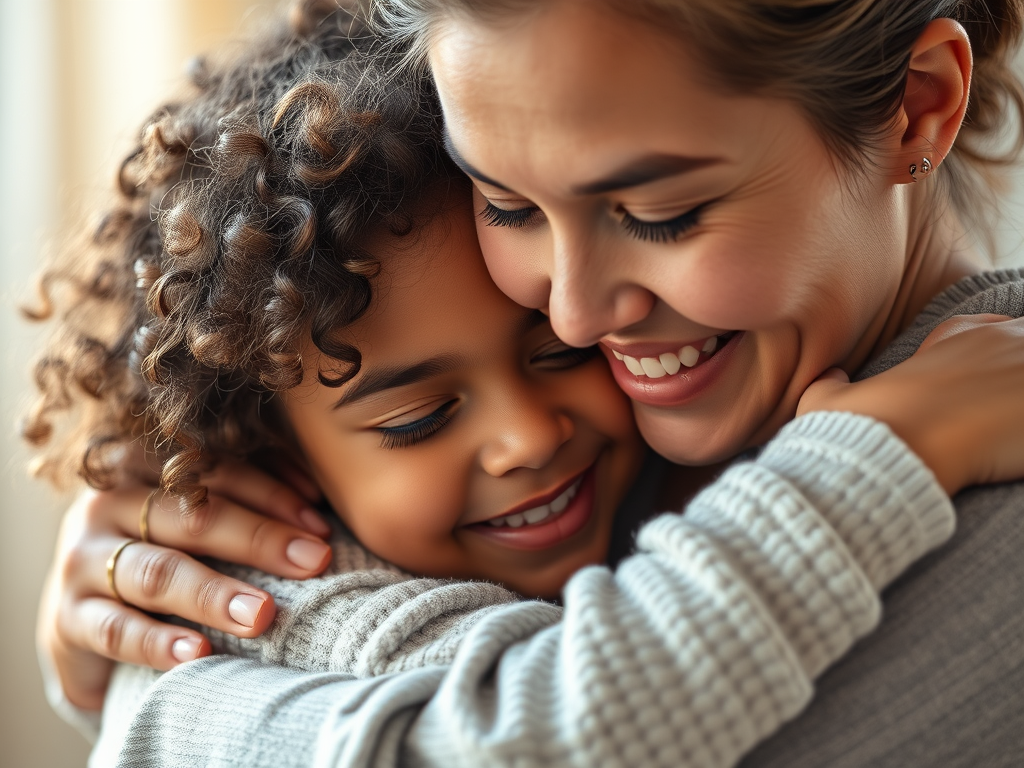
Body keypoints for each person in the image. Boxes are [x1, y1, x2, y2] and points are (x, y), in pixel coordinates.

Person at [31, 1, 1024, 766]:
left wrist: (150, 710)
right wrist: (152, 622)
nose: (575, 317)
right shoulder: (621, 438)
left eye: (662, 211)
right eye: (504, 202)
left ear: (920, 104)